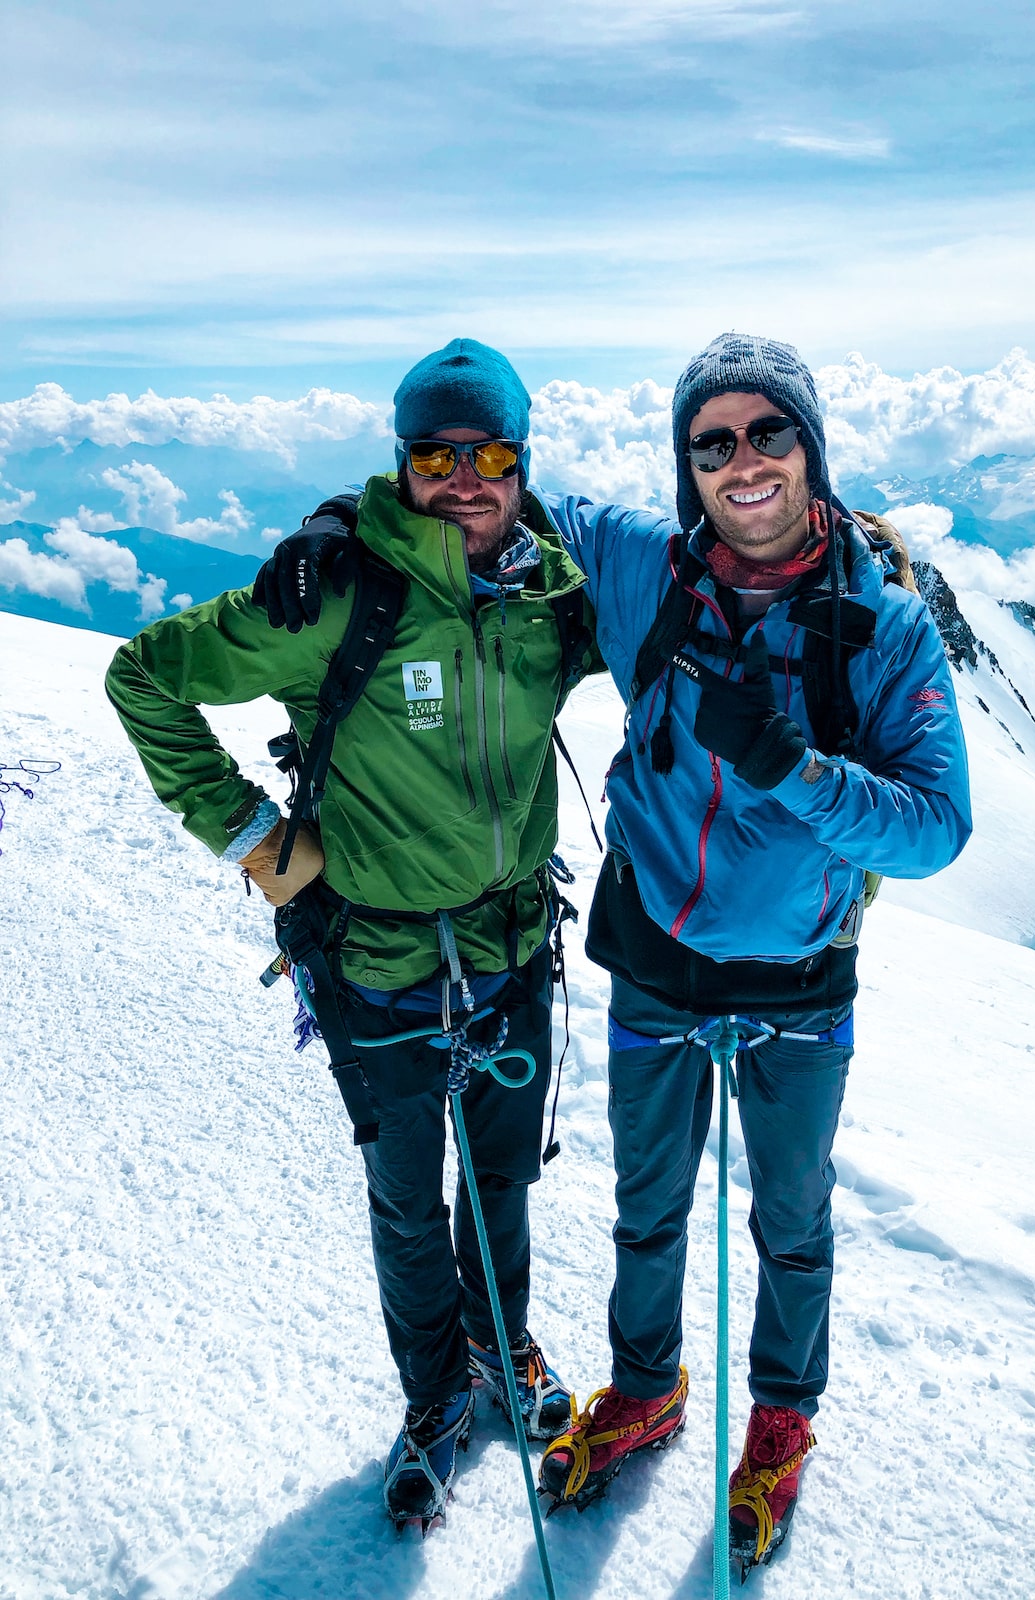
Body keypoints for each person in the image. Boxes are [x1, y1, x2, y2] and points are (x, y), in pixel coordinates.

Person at [261, 332, 972, 1574]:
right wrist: (340, 522)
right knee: (649, 1215)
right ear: (685, 461)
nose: (741, 462)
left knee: (792, 1224)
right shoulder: (646, 566)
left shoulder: (888, 628)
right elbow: (491, 486)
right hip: (654, 955)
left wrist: (791, 770)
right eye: (713, 441)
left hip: (803, 977)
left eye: (768, 433)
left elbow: (934, 827)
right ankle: (646, 1388)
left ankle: (780, 1421)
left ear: (811, 445)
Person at [105, 339, 601, 1531]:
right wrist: (250, 840)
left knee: (500, 1177)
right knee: (406, 1197)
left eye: (493, 454)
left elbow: (680, 593)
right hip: (372, 962)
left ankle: (504, 1347)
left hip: (512, 946)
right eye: (437, 454)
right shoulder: (335, 594)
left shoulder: (554, 594)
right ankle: (434, 1394)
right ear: (403, 463)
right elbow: (144, 678)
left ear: (523, 465)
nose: (466, 477)